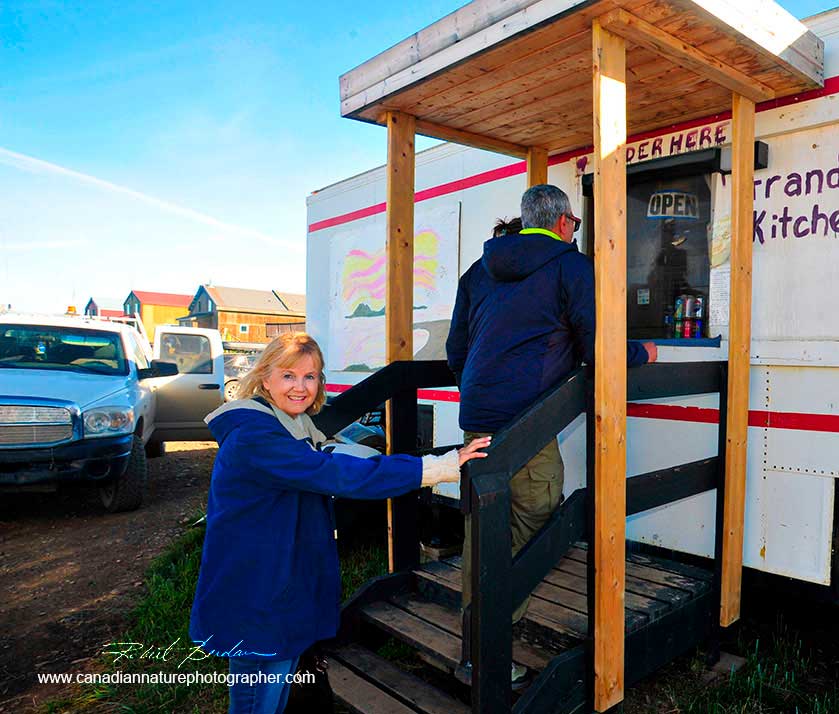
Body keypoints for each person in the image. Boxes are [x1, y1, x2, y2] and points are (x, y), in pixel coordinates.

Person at [189, 332, 490, 714]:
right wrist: (439, 466)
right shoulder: (255, 436)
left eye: (310, 376)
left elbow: (315, 462)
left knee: (273, 689)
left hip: (271, 586)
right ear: (265, 378)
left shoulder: (285, 425)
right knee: (256, 702)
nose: (300, 387)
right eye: (288, 376)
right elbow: (331, 472)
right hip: (258, 593)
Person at [446, 185, 656, 685]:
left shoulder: (478, 271)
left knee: (483, 527)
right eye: (575, 225)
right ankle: (493, 639)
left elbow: (457, 350)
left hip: (477, 416)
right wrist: (643, 354)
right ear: (564, 221)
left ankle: (474, 648)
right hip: (526, 422)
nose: (575, 232)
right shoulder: (570, 266)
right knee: (540, 516)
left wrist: (484, 391)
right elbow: (597, 346)